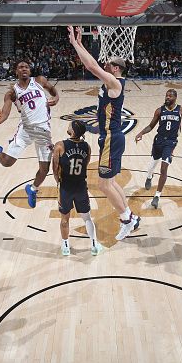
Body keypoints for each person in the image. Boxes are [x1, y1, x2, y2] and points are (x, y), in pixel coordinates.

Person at [67, 26, 140, 241]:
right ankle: (131, 217)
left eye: (109, 64)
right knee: (112, 182)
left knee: (103, 184)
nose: (105, 65)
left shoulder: (114, 82)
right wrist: (79, 44)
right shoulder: (113, 82)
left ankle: (126, 220)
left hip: (111, 138)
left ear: (116, 69)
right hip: (111, 137)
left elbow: (90, 65)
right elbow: (89, 64)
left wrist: (74, 44)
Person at [0, 60, 59, 208]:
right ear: (16, 72)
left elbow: (53, 90)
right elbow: (4, 114)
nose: (24, 69)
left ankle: (32, 189)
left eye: (26, 67)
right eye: (20, 67)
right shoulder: (12, 92)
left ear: (30, 70)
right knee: (7, 163)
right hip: (26, 130)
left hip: (44, 132)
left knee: (44, 170)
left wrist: (56, 98)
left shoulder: (39, 81)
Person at [135, 89, 182, 209]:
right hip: (158, 141)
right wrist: (141, 133)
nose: (167, 97)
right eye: (166, 96)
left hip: (171, 142)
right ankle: (149, 176)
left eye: (170, 96)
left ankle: (157, 196)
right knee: (152, 165)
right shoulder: (159, 111)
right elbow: (151, 126)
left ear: (175, 98)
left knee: (164, 168)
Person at [52, 120, 102, 256]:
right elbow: (84, 164)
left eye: (70, 125)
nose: (68, 126)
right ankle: (94, 245)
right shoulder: (87, 147)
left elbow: (55, 168)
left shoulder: (59, 145)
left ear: (72, 131)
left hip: (66, 187)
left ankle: (65, 246)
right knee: (87, 218)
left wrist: (59, 181)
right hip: (80, 186)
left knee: (64, 219)